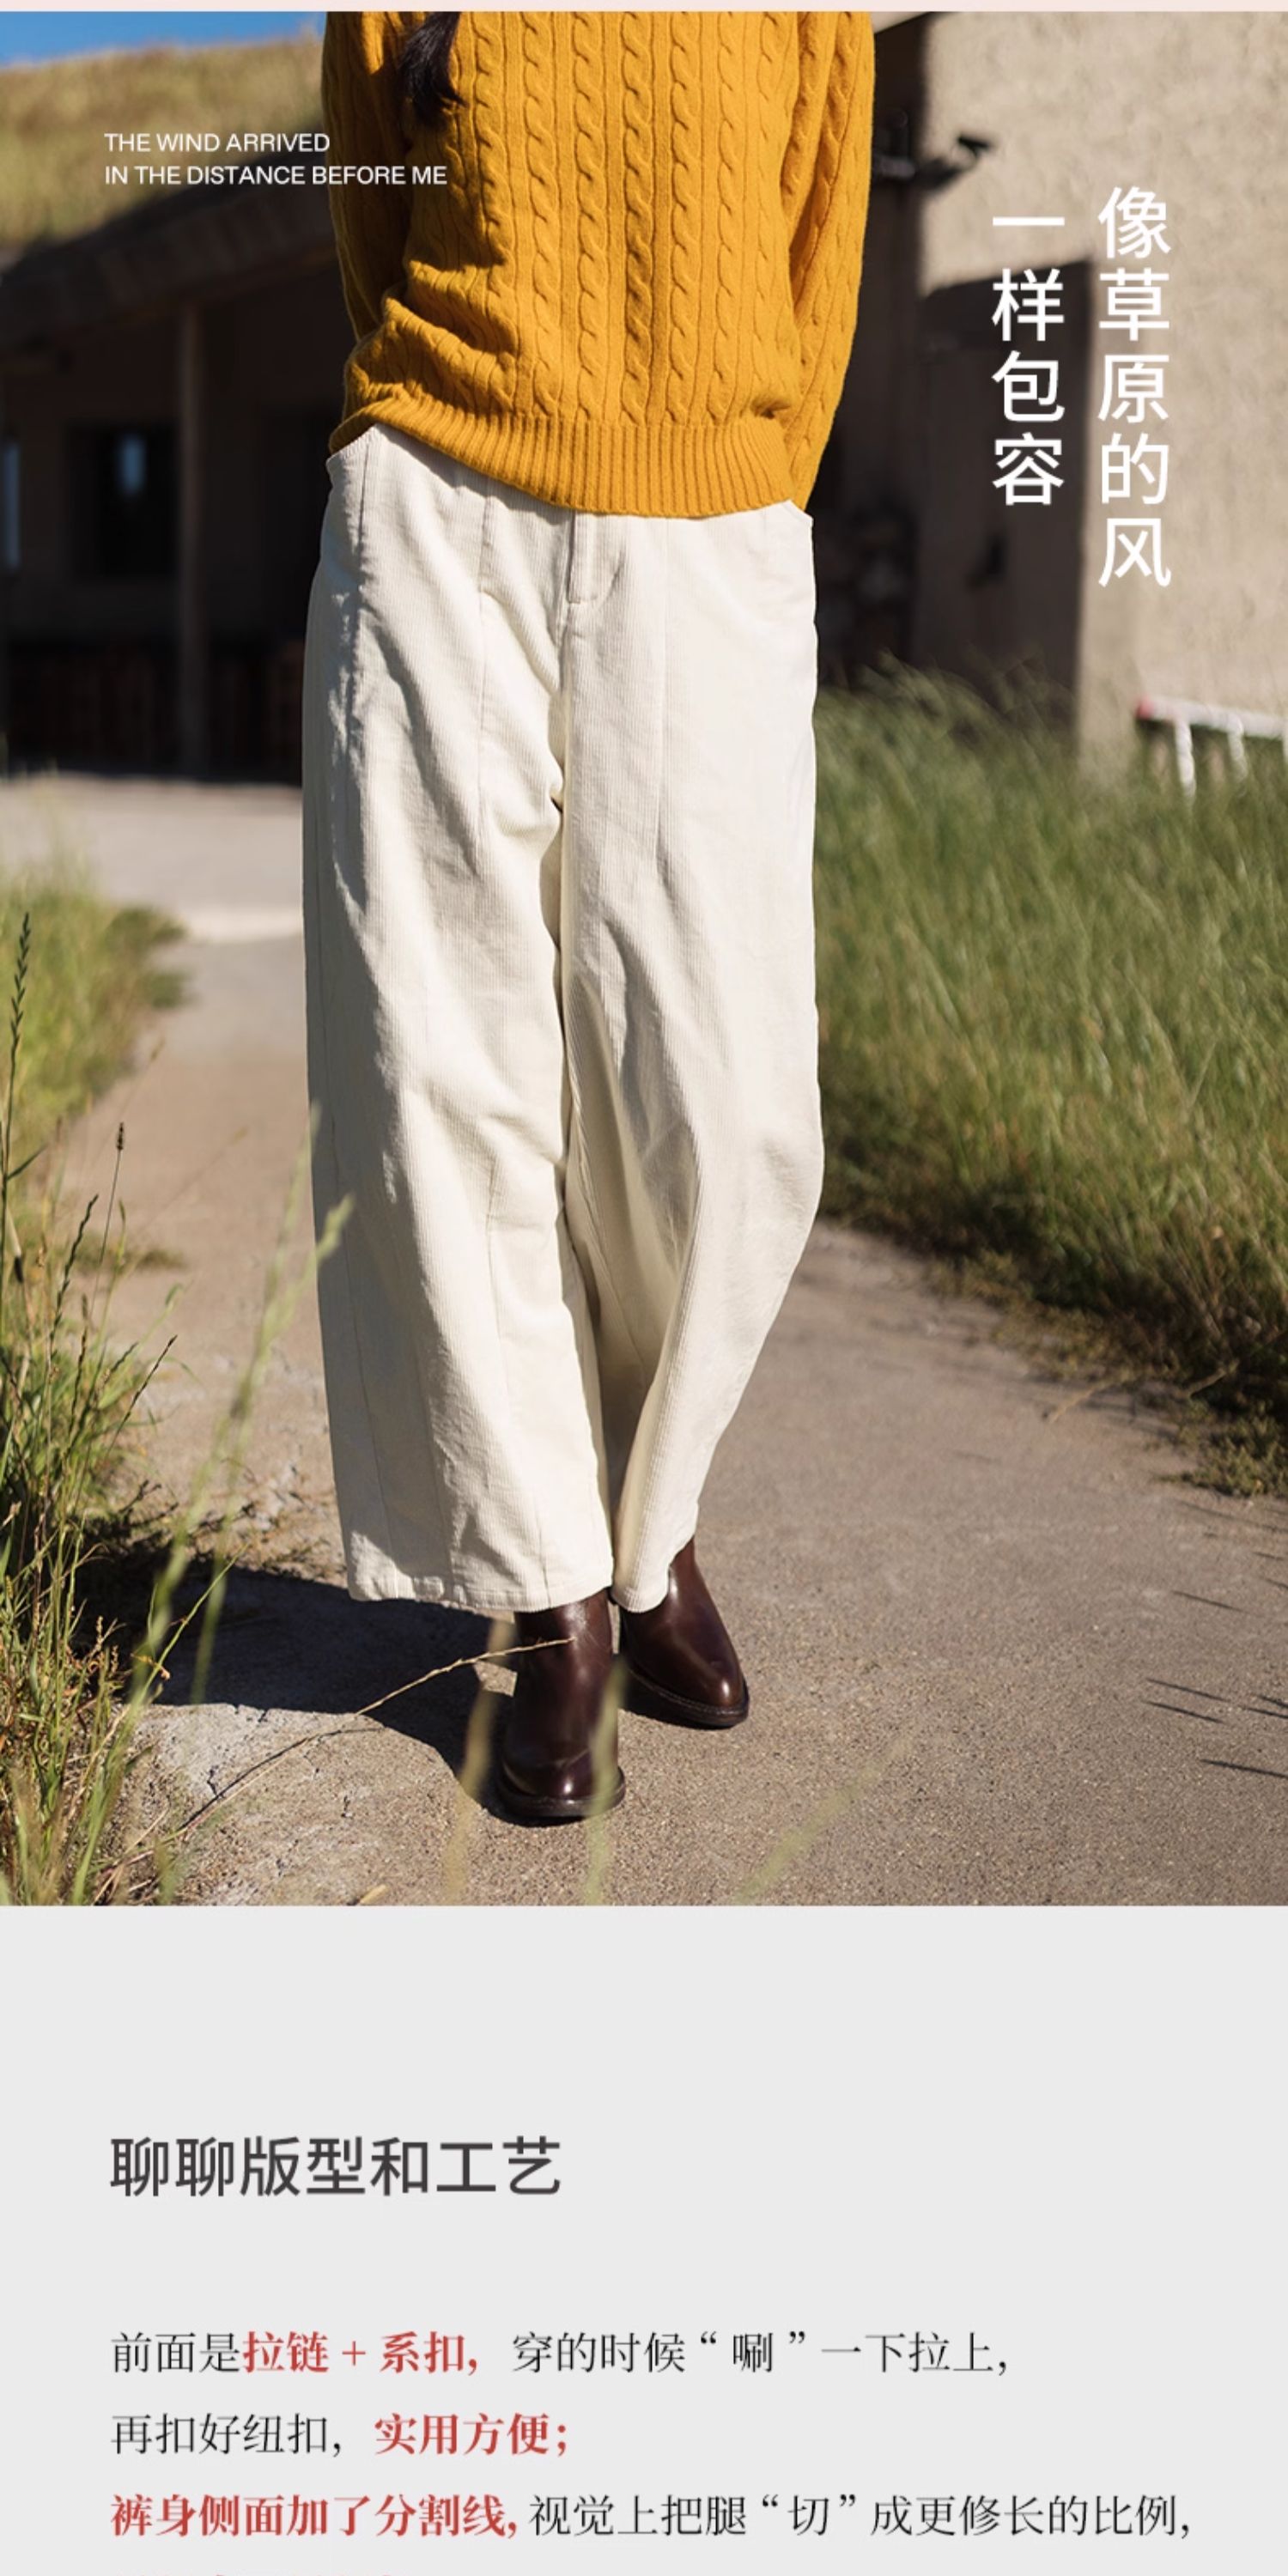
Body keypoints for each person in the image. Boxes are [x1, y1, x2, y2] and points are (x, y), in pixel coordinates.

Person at [302, 9, 875, 1823]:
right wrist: (438, 436)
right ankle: (552, 1590)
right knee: (438, 1070)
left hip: (708, 523)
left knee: (725, 1092)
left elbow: (821, 231)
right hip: (440, 498)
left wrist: (745, 482)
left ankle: (650, 1525)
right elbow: (373, 210)